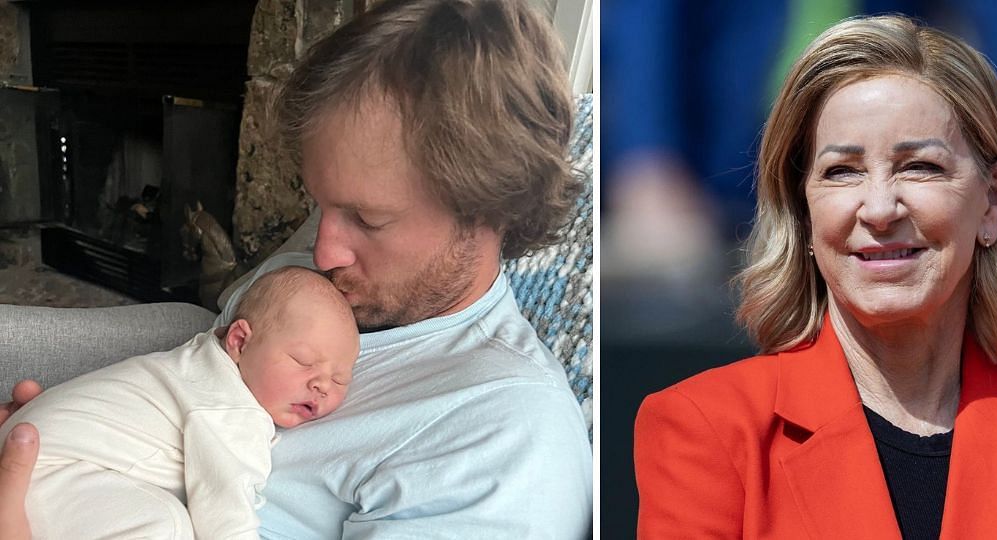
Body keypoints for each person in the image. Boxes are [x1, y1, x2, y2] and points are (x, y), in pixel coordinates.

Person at [0, 0, 593, 538]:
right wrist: (76, 435)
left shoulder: (506, 444)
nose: (323, 252)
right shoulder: (316, 279)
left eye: (367, 218)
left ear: (491, 205)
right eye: (321, 204)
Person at [633, 15, 997, 539]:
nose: (880, 208)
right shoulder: (705, 429)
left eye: (920, 167)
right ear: (803, 207)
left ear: (995, 198)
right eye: (841, 172)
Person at [0, 265, 359, 539]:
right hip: (45, 474)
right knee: (168, 524)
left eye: (340, 377)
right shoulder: (231, 409)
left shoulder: (199, 358)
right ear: (239, 340)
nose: (322, 385)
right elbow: (224, 516)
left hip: (34, 454)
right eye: (304, 361)